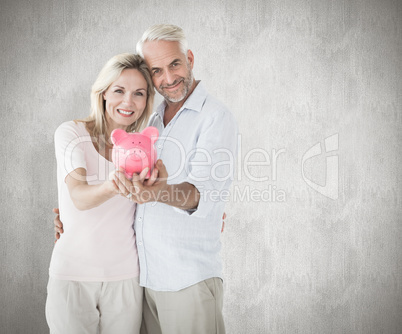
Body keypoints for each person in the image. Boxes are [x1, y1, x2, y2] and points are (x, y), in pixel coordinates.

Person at [54, 24, 238, 334]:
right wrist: (68, 216)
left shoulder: (215, 117)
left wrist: (159, 193)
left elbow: (201, 195)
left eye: (175, 64)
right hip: (145, 281)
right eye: (157, 70)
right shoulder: (150, 122)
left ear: (190, 58)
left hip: (186, 278)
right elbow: (100, 193)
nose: (168, 78)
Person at [46, 53, 156, 334]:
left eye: (139, 93)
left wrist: (205, 214)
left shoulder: (146, 148)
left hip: (126, 277)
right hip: (72, 275)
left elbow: (161, 198)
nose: (128, 101)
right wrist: (112, 185)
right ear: (104, 92)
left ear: (146, 101)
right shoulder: (71, 134)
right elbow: (79, 197)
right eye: (119, 90)